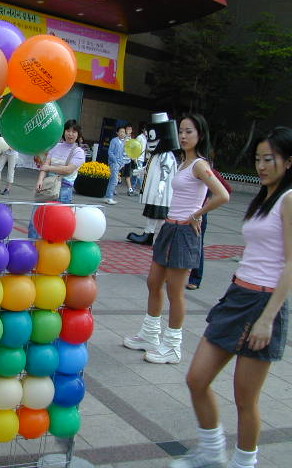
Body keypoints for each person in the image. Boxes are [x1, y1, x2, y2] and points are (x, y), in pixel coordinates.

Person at [169, 127, 291, 468]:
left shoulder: (288, 199)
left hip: (264, 303)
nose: (261, 166)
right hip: (238, 295)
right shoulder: (265, 197)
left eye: (269, 159)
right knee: (197, 379)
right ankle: (212, 452)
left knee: (245, 399)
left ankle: (243, 463)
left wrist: (267, 319)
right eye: (258, 159)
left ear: (288, 161)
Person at [123, 114, 230, 364]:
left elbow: (222, 195)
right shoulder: (183, 162)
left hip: (184, 232)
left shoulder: (200, 165)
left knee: (175, 291)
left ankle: (172, 346)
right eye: (181, 131)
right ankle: (150, 334)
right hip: (169, 227)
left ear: (200, 135)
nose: (183, 136)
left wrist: (197, 214)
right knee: (153, 282)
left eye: (189, 131)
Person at [28, 119, 85, 238]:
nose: (70, 134)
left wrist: (49, 167)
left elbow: (68, 170)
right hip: (47, 186)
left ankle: (53, 249)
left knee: (58, 226)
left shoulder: (79, 152)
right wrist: (40, 181)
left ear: (78, 134)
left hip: (64, 190)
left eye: (74, 131)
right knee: (36, 222)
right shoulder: (55, 147)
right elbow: (44, 166)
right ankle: (32, 247)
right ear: (63, 132)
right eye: (68, 130)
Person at [127, 125, 179, 246]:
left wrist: (162, 183)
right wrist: (140, 171)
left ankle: (160, 237)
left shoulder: (166, 154)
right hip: (155, 193)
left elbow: (166, 170)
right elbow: (150, 167)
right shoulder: (157, 154)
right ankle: (149, 234)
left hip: (160, 194)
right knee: (154, 214)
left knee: (159, 215)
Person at [104, 126, 126, 205]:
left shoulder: (122, 142)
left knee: (113, 180)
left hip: (118, 164)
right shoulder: (114, 141)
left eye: (124, 132)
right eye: (121, 132)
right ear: (117, 133)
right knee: (114, 181)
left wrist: (122, 163)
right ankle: (109, 197)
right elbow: (110, 152)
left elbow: (122, 154)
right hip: (114, 163)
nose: (122, 133)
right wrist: (116, 162)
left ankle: (108, 197)